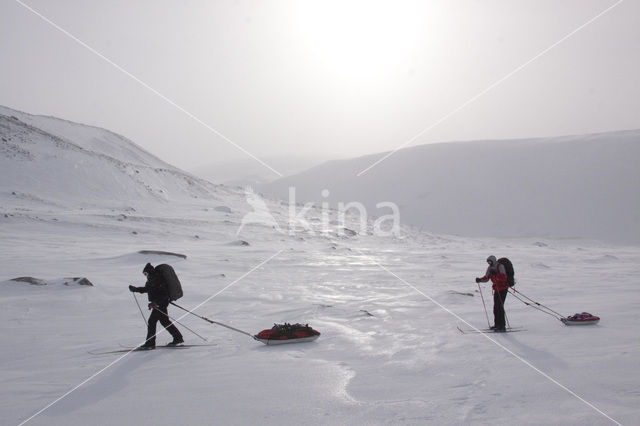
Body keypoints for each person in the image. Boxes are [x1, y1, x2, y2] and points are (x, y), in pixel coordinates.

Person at [129, 263, 184, 349]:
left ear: (149, 271)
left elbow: (163, 294)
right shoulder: (152, 279)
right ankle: (178, 338)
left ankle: (150, 343)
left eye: (145, 273)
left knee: (152, 321)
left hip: (160, 303)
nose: (145, 275)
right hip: (159, 303)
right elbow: (147, 289)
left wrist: (156, 303)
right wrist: (136, 289)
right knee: (165, 321)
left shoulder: (157, 279)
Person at [476, 255, 509, 331]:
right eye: (488, 262)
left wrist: (496, 275)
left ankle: (502, 326)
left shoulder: (500, 266)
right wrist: (480, 280)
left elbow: (504, 277)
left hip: (503, 289)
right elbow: (486, 278)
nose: (489, 263)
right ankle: (497, 324)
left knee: (500, 306)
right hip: (496, 289)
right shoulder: (490, 268)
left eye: (490, 261)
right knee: (496, 307)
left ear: (493, 260)